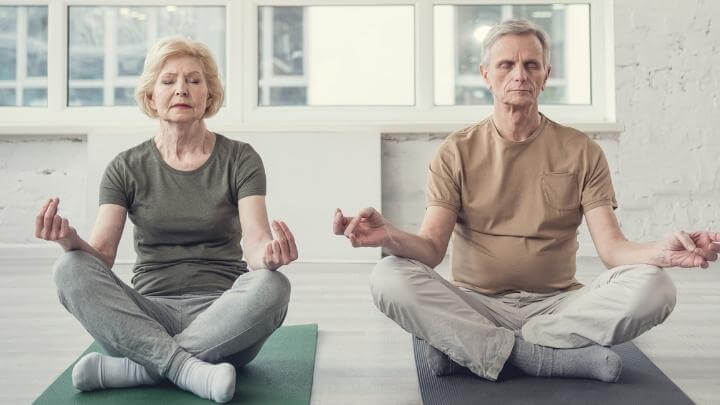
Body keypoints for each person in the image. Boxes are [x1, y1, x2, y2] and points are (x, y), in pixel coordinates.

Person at [333, 18, 719, 383]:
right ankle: (541, 357)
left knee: (657, 287)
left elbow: (613, 249)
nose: (519, 74)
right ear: (486, 75)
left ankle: (472, 349)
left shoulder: (582, 150)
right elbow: (432, 250)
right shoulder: (456, 151)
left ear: (545, 75)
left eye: (531, 64)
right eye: (506, 65)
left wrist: (662, 253)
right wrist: (388, 236)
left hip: (558, 307)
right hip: (474, 304)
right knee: (387, 277)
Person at [37, 37, 298, 404]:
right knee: (68, 268)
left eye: (194, 80)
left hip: (223, 315)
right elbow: (101, 256)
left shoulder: (240, 158)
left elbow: (256, 244)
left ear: (209, 95)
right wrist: (70, 243)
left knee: (274, 286)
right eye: (168, 81)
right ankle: (187, 368)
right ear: (150, 96)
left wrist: (268, 257)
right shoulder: (125, 167)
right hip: (146, 315)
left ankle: (138, 368)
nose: (181, 90)